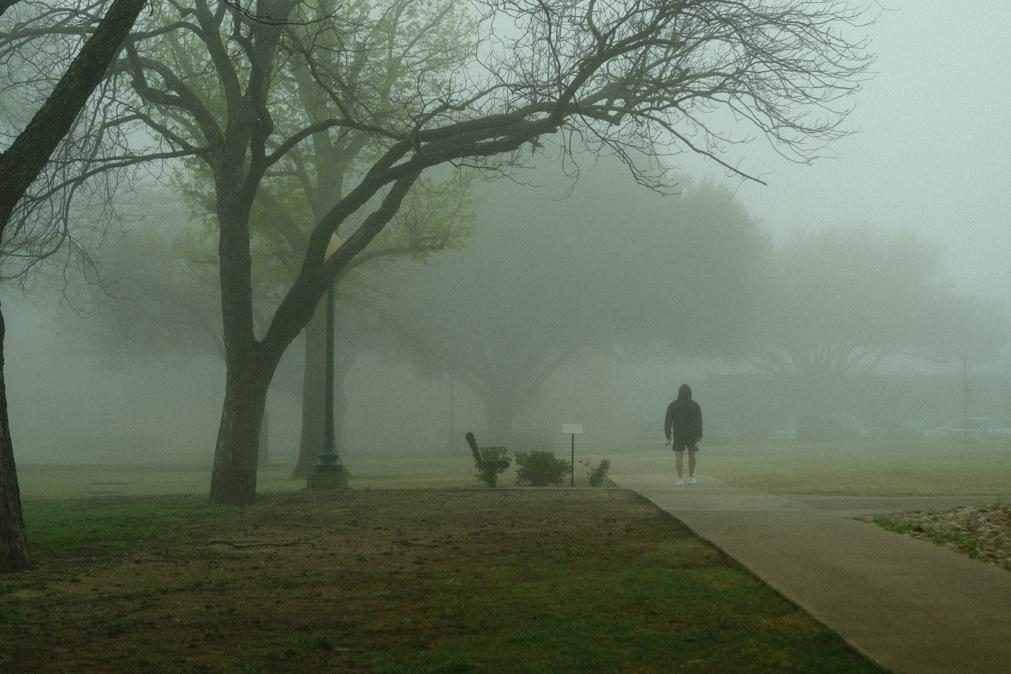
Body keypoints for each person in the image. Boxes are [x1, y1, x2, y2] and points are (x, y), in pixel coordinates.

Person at [664, 383, 703, 486]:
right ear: (690, 393)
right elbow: (699, 422)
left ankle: (680, 479)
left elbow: (668, 422)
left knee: (679, 456)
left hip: (679, 434)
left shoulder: (673, 405)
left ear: (679, 393)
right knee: (692, 454)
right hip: (692, 434)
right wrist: (699, 437)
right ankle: (691, 477)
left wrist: (668, 436)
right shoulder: (695, 405)